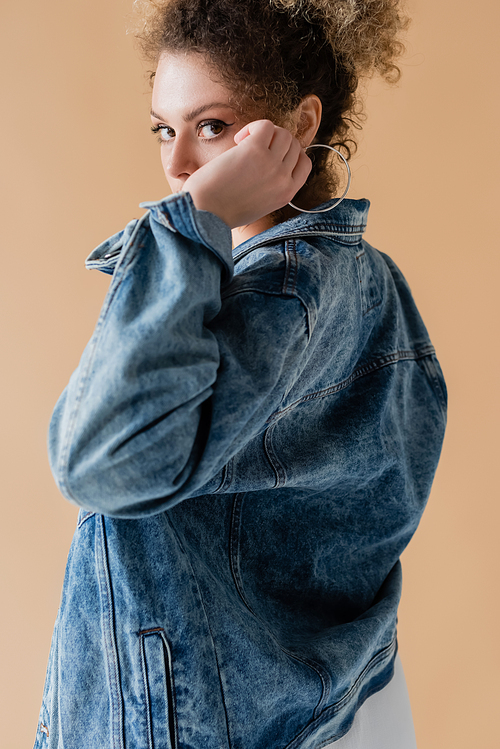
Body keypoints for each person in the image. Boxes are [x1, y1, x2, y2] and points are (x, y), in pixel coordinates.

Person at [34, 1, 447, 747]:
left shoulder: (264, 295)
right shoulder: (373, 280)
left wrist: (194, 223)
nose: (177, 164)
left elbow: (92, 462)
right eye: (166, 127)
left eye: (213, 126)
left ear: (302, 122)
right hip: (347, 709)